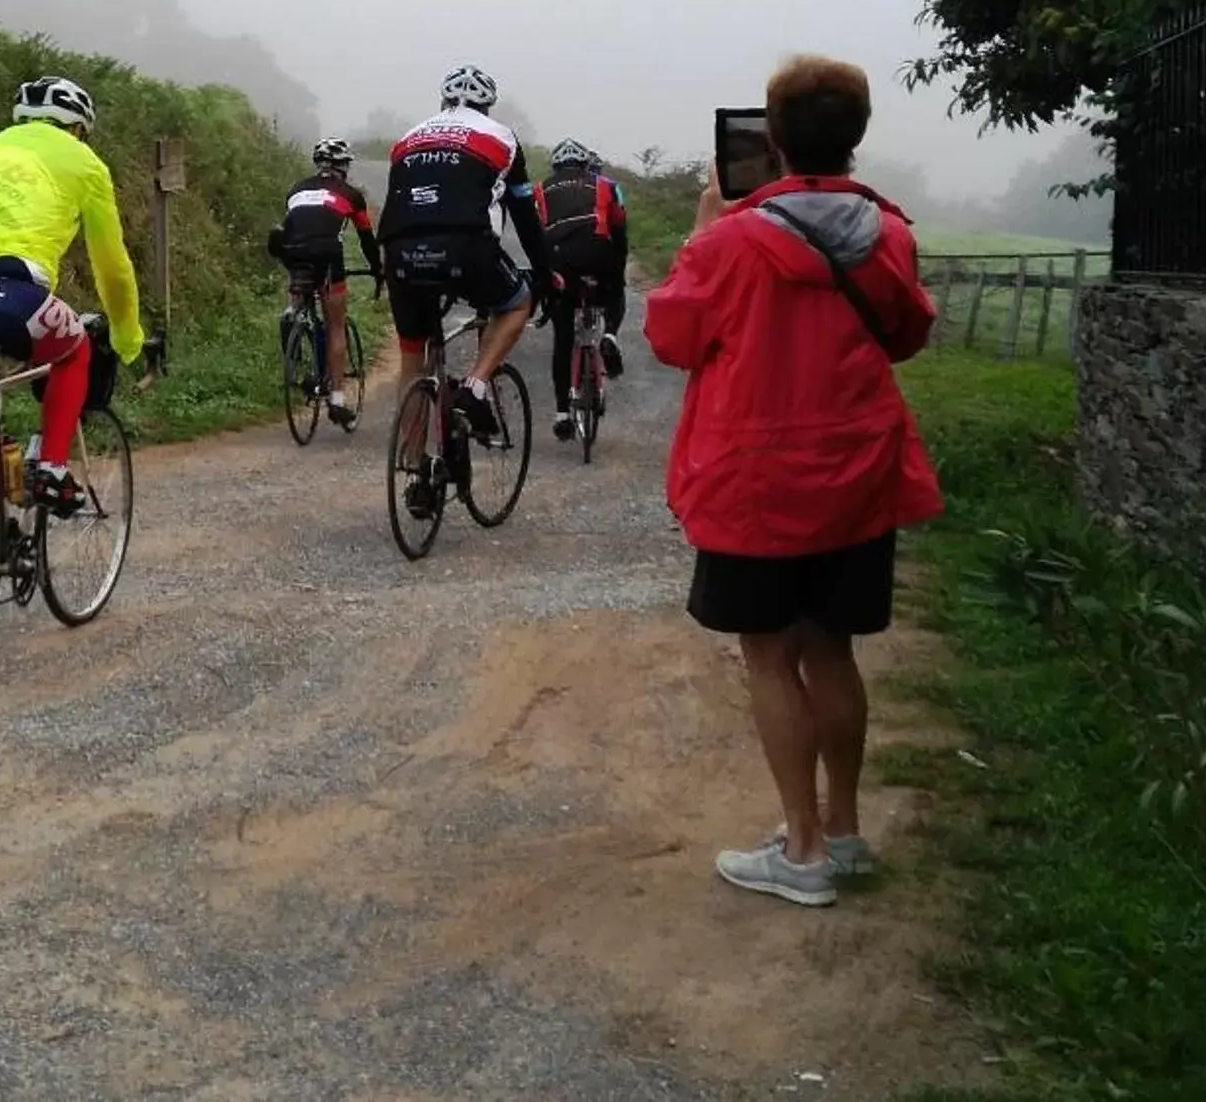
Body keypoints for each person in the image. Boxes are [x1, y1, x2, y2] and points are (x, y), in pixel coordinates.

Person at [644, 55, 942, 908]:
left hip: (756, 483)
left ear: (771, 139)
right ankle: (842, 834)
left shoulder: (733, 241)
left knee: (770, 657)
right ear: (854, 137)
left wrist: (704, 231)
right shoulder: (889, 234)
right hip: (857, 472)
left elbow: (671, 335)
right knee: (832, 649)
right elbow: (907, 333)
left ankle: (800, 852)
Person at [0, 76, 152, 524]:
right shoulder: (86, 164)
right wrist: (127, 337)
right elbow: (113, 268)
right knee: (75, 348)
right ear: (78, 127)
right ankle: (51, 469)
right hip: (15, 295)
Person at [380, 66, 557, 502]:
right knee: (516, 302)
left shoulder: (407, 138)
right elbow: (523, 215)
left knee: (413, 358)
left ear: (443, 102)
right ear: (487, 105)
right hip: (466, 246)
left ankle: (415, 469)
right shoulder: (501, 137)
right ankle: (475, 388)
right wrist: (546, 273)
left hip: (400, 251)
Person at [276, 137, 382, 429]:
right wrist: (377, 270)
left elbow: (295, 226)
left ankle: (293, 313)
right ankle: (336, 400)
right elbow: (366, 239)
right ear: (343, 166)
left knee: (299, 273)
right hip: (328, 257)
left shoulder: (295, 189)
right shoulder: (351, 194)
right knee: (336, 324)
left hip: (293, 253)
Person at [535, 138, 631, 440]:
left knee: (563, 335)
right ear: (586, 166)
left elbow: (536, 235)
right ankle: (611, 334)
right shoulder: (604, 185)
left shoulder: (541, 189)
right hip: (598, 254)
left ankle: (563, 413)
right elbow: (619, 230)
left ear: (556, 167)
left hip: (561, 259)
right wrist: (618, 269)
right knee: (614, 291)